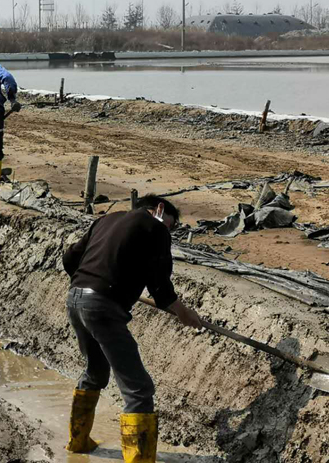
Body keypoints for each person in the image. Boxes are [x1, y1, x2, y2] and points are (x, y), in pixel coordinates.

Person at [62, 195, 203, 461]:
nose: (169, 230)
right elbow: (160, 285)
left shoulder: (106, 220)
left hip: (75, 299)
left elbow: (70, 259)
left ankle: (78, 442)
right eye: (171, 224)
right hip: (102, 308)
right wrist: (183, 312)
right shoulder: (156, 227)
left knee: (95, 372)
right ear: (159, 209)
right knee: (139, 389)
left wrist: (92, 282)